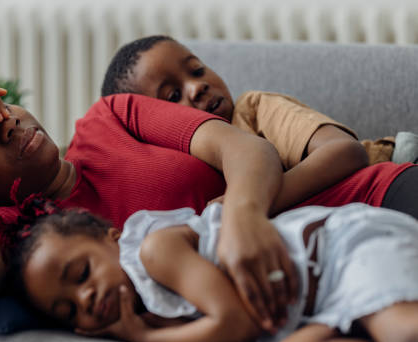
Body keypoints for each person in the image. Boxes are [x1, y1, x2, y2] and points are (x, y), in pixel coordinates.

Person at [0, 78, 294, 332]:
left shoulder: (110, 117)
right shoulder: (20, 236)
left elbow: (247, 151)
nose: (7, 125)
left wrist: (242, 217)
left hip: (336, 216)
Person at [7, 196, 418, 342]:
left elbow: (236, 321)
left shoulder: (155, 251)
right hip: (321, 311)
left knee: (405, 341)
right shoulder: (154, 310)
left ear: (113, 239)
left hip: (339, 253)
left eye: (81, 273)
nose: (86, 300)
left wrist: (145, 339)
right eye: (68, 312)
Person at [100, 35, 404, 214]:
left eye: (197, 70)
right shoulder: (183, 172)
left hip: (398, 165)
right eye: (173, 95)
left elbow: (345, 152)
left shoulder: (252, 111)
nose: (198, 87)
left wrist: (248, 204)